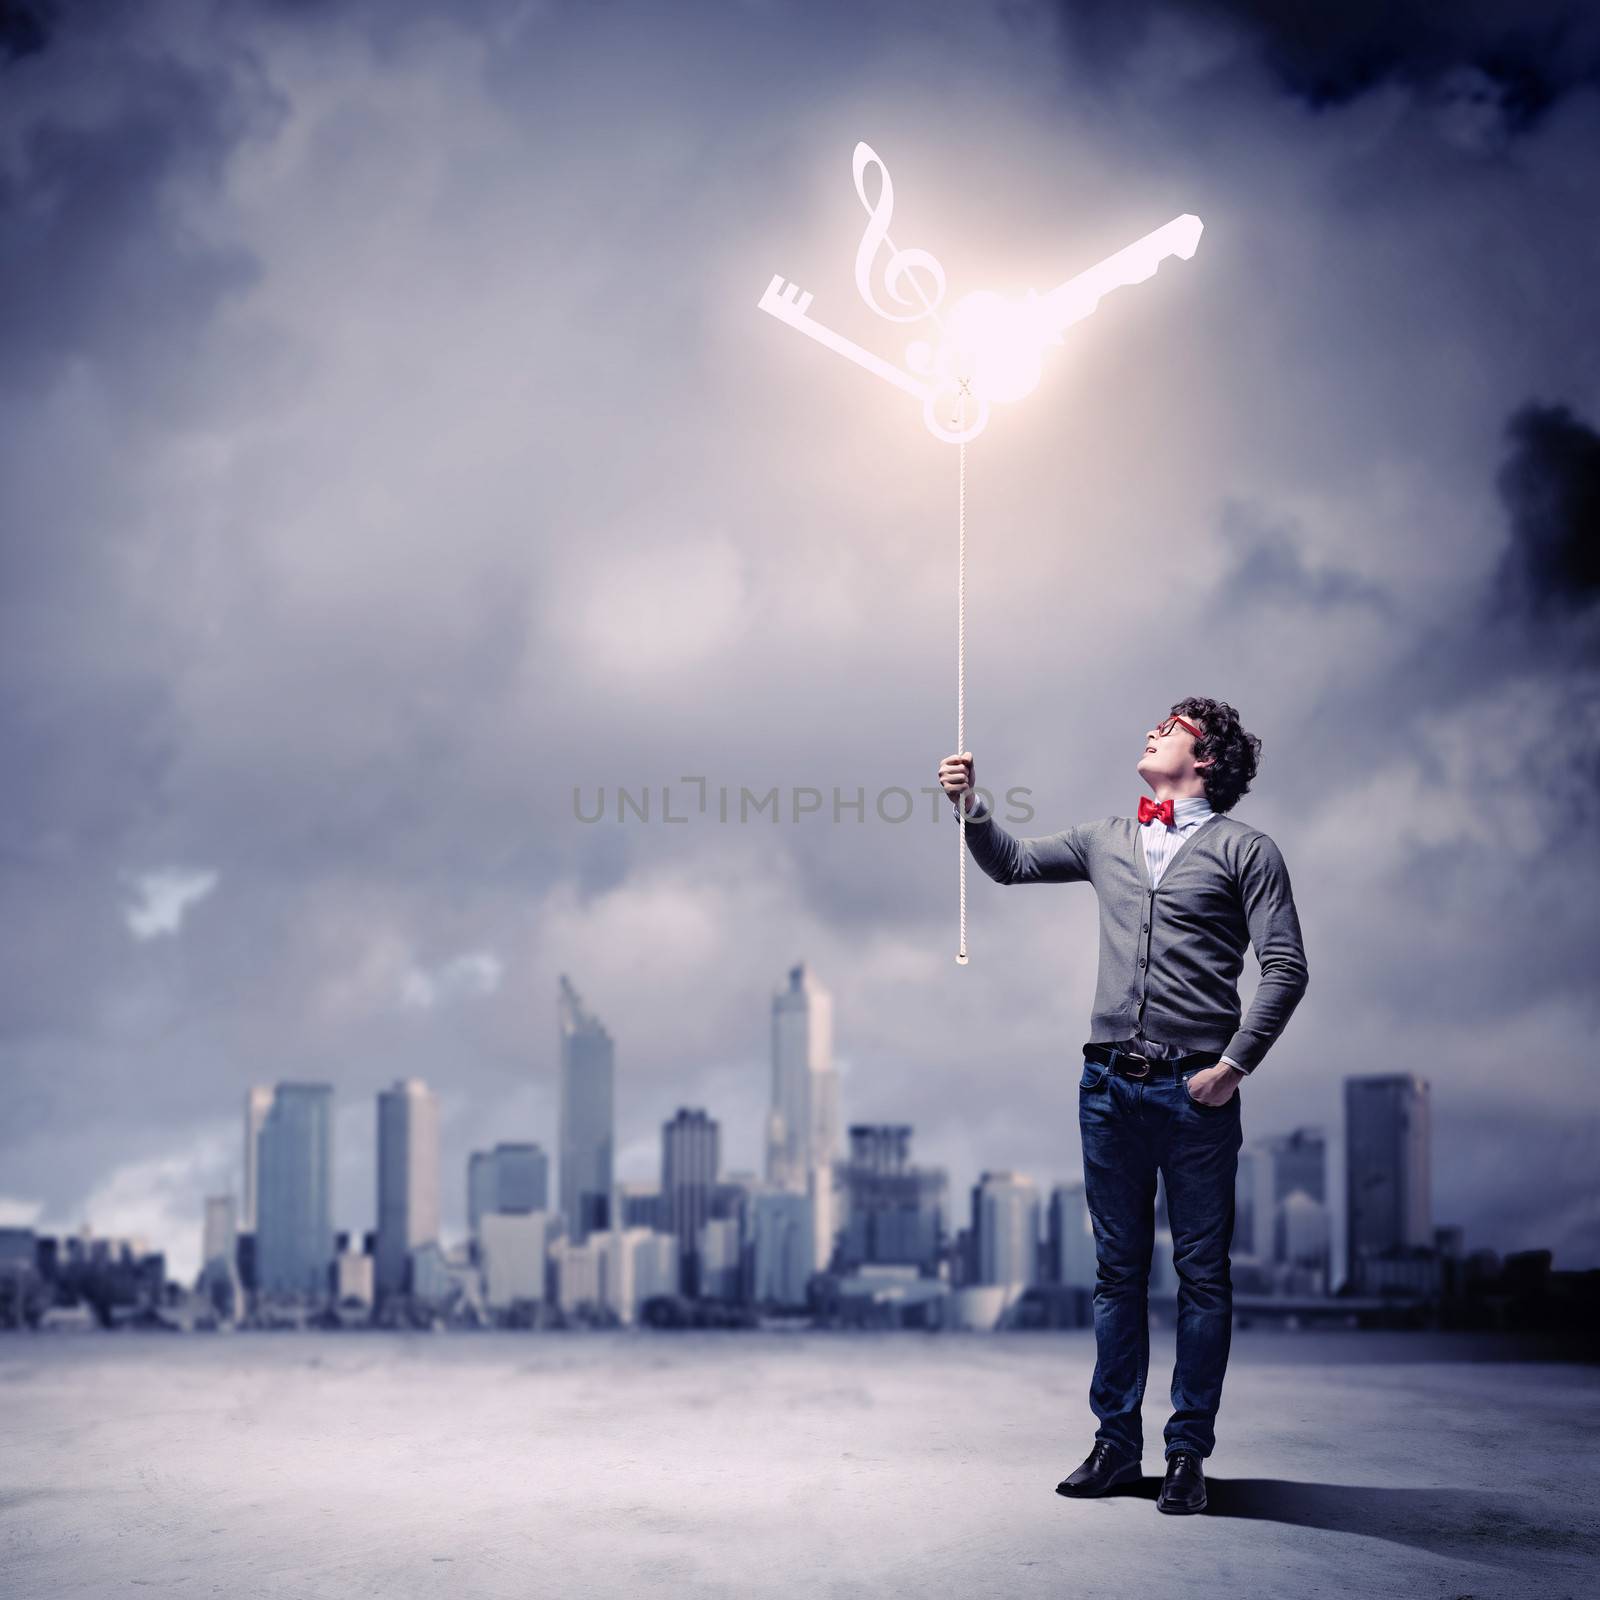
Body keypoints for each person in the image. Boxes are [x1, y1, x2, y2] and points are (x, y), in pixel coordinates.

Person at [937, 698, 1309, 1514]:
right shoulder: (1106, 837)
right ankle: (1114, 1447)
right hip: (1106, 1085)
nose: (1150, 729)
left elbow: (1285, 968)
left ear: (1205, 755)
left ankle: (1186, 1457)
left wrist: (1233, 1068)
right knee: (1117, 1275)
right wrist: (972, 808)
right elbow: (1010, 863)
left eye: (1169, 726)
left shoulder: (1248, 851)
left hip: (1196, 1093)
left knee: (1203, 1279)